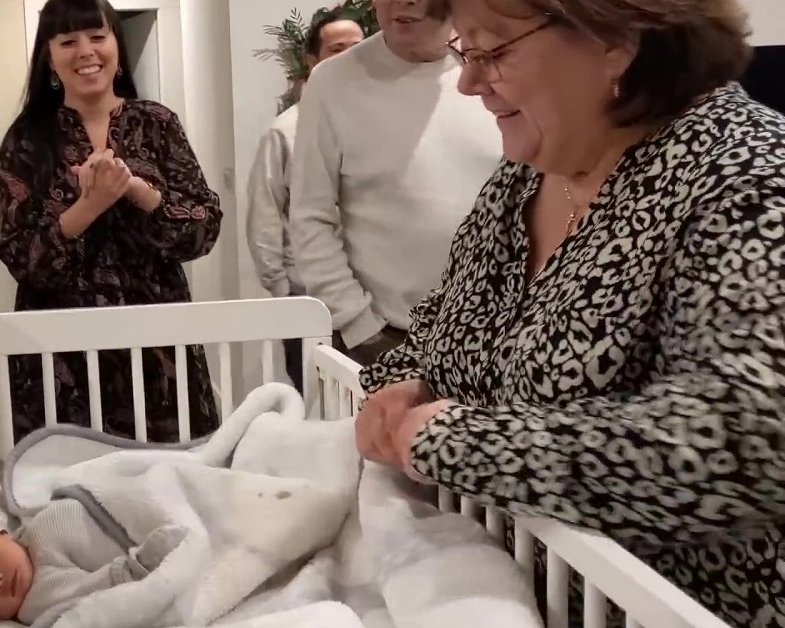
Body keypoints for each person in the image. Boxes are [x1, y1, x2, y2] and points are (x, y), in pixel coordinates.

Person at [354, 0, 785, 624]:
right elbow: (448, 319)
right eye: (464, 51)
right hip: (508, 587)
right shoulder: (525, 175)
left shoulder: (751, 181)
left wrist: (461, 445)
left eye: (493, 51)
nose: (469, 82)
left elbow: (746, 440)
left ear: (615, 39)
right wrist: (406, 380)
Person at [0, 0, 222, 444]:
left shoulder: (158, 124)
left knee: (173, 475)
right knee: (66, 478)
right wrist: (89, 206)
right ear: (49, 57)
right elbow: (20, 256)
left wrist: (136, 189)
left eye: (98, 37)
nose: (86, 51)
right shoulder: (28, 139)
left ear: (116, 46)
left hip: (159, 351)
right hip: (62, 358)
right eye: (68, 41)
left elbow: (202, 230)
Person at [288, 0, 501, 366]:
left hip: (496, 335)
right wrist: (361, 327)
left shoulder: (499, 63)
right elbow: (310, 217)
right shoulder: (333, 81)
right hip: (387, 337)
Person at [245, 10, 365, 390]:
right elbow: (264, 214)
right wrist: (283, 292)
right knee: (316, 398)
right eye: (337, 49)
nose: (350, 57)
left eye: (358, 47)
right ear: (313, 61)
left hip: (373, 295)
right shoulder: (285, 132)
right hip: (308, 295)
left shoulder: (380, 124)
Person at [0, 502, 184, 624]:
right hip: (151, 551)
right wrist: (139, 566)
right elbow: (94, 593)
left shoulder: (36, 523)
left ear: (2, 534)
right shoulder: (36, 602)